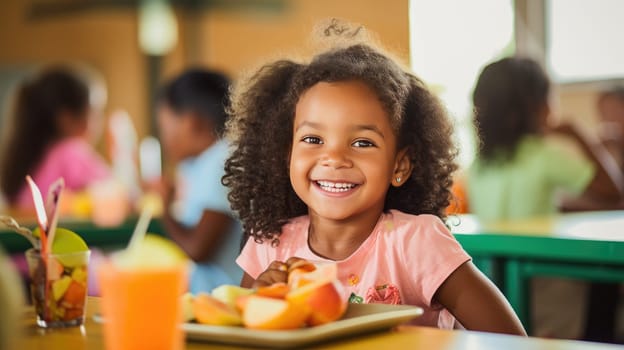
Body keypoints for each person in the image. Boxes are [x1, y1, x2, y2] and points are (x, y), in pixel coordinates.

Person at [222, 20, 525, 335]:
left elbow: (510, 339)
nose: (335, 158)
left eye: (362, 143)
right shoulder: (270, 244)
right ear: (286, 155)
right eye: (313, 139)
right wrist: (262, 298)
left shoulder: (415, 242)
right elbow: (241, 336)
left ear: (400, 166)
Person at [467, 57, 624, 339]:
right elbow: (615, 192)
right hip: (548, 298)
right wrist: (578, 133)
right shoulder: (544, 154)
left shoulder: (479, 166)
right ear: (538, 107)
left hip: (495, 293)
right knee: (607, 279)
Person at [155, 68, 243, 294]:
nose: (165, 139)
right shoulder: (206, 160)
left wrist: (164, 207)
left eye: (165, 128)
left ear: (191, 122)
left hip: (223, 295)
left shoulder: (220, 161)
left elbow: (197, 250)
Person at [0, 66, 112, 212]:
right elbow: (119, 194)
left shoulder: (30, 158)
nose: (101, 120)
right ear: (66, 119)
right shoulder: (69, 152)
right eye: (96, 112)